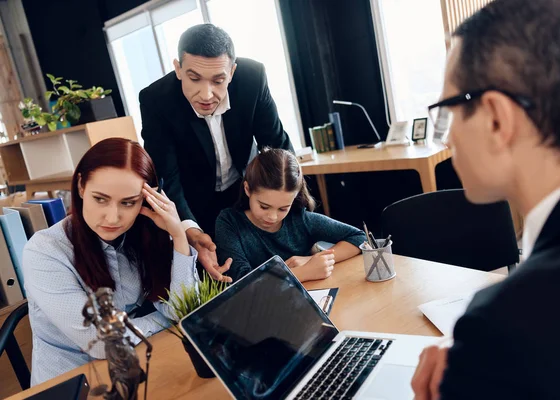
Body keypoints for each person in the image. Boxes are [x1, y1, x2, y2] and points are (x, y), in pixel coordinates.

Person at [411, 0, 560, 399]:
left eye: (450, 111)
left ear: (497, 119)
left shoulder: (506, 327)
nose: (448, 138)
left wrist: (483, 362)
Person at [22, 138, 199, 385]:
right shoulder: (44, 251)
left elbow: (188, 309)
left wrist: (178, 235)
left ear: (146, 201)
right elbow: (103, 342)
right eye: (100, 199)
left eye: (128, 202)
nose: (113, 217)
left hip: (137, 370)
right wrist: (166, 318)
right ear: (81, 186)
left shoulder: (143, 234)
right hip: (74, 385)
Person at [140, 23, 293, 283]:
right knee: (216, 282)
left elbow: (277, 148)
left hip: (246, 196)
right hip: (192, 205)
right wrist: (190, 230)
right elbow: (167, 176)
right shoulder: (156, 99)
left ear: (232, 72)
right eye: (194, 78)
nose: (206, 94)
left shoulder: (253, 79)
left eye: (218, 80)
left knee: (272, 274)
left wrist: (289, 212)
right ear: (178, 69)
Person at [215, 148, 365, 282]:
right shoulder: (229, 222)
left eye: (283, 208)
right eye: (264, 206)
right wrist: (301, 273)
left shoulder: (299, 219)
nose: (272, 217)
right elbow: (240, 280)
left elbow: (359, 238)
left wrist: (312, 260)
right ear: (247, 189)